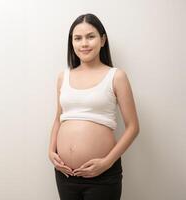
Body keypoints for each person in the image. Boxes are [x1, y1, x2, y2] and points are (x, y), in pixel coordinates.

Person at [48, 13, 140, 200]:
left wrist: (107, 162)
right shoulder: (62, 77)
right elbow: (59, 118)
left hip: (102, 175)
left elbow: (133, 127)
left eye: (91, 36)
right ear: (71, 42)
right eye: (78, 38)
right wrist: (51, 152)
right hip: (65, 174)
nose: (84, 43)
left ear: (103, 40)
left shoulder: (116, 76)